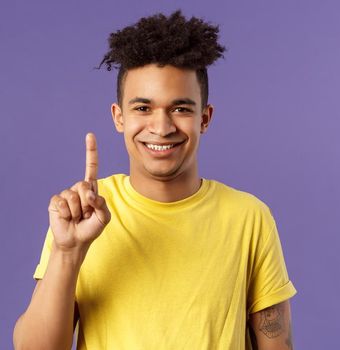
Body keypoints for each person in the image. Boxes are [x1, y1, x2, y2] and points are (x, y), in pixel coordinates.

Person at [13, 10, 296, 350]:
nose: (161, 128)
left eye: (180, 108)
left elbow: (277, 345)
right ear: (119, 117)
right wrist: (67, 251)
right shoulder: (81, 214)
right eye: (143, 108)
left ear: (204, 118)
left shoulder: (250, 217)